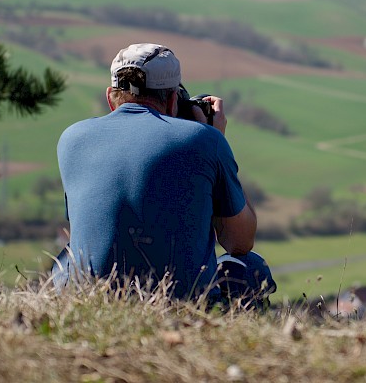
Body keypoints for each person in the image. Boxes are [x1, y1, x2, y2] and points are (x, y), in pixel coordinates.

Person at [52, 43, 275, 305]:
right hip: (184, 308)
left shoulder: (71, 139)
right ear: (172, 100)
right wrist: (217, 140)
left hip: (91, 302)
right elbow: (239, 242)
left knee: (66, 258)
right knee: (249, 267)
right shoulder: (205, 141)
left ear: (110, 98)